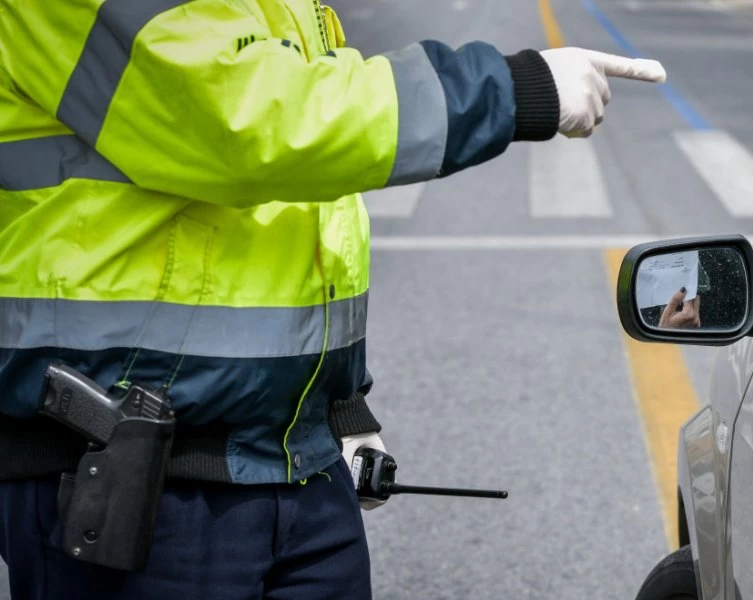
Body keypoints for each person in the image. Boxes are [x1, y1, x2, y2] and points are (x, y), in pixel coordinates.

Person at [0, 3, 665, 598]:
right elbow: (253, 122)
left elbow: (308, 212)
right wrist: (513, 88)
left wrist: (340, 404)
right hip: (127, 472)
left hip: (293, 464)